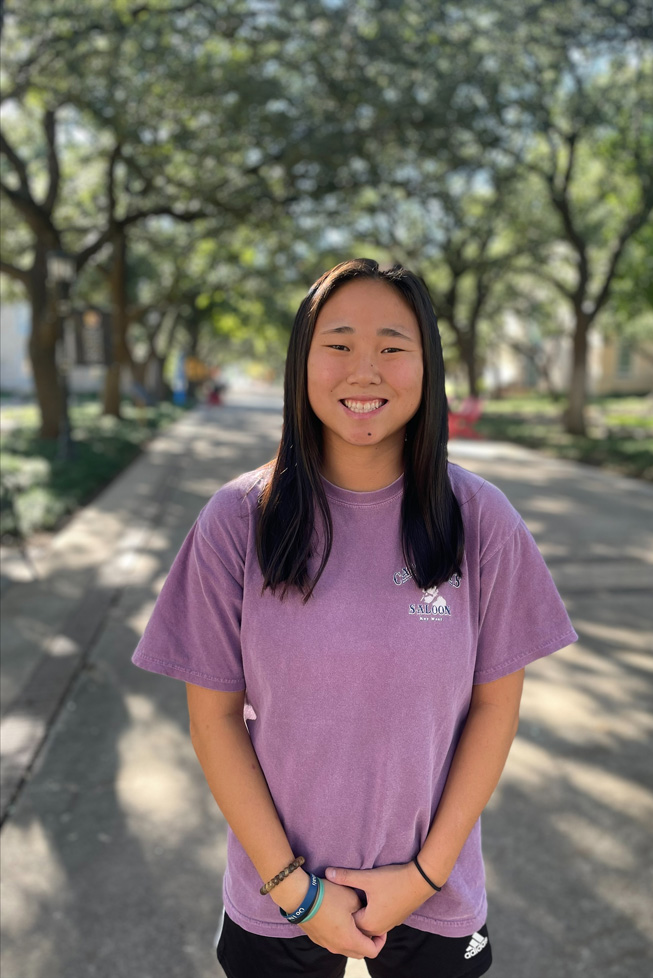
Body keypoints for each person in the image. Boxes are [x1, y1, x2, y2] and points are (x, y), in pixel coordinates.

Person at [131, 258, 578, 978]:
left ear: (427, 366)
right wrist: (296, 892)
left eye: (393, 348)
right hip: (277, 892)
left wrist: (424, 878)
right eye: (338, 345)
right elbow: (214, 720)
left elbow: (495, 709)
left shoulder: (480, 519)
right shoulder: (237, 521)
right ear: (300, 364)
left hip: (433, 893)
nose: (364, 370)